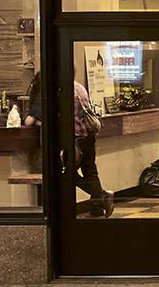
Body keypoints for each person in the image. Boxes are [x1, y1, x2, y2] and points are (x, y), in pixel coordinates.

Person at [72, 80, 112, 217]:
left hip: (74, 139)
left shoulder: (64, 91)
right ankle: (97, 208)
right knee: (90, 172)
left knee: (66, 174)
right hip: (88, 136)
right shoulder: (79, 87)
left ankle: (102, 195)